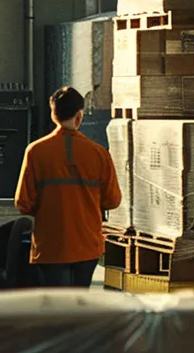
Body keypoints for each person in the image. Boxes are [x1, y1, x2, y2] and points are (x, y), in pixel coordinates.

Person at [16, 87, 121, 289]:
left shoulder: (36, 152)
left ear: (53, 114)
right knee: (79, 302)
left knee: (57, 307)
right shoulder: (99, 153)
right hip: (87, 244)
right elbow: (112, 200)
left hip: (50, 245)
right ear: (79, 115)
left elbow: (23, 203)